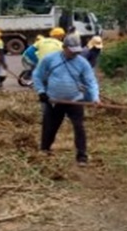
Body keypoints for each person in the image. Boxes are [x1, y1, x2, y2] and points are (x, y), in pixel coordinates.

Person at [33, 34, 99, 165]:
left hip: (75, 100)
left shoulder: (82, 63)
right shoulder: (50, 59)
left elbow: (91, 81)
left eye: (76, 51)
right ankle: (44, 150)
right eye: (71, 51)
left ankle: (82, 156)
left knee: (79, 127)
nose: (74, 54)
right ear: (64, 47)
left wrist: (95, 97)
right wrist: (41, 92)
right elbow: (37, 75)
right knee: (50, 126)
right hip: (54, 101)